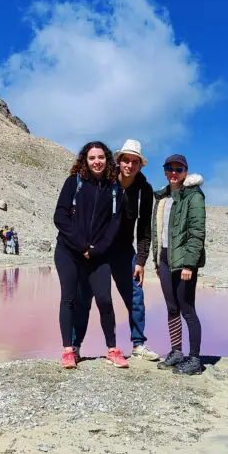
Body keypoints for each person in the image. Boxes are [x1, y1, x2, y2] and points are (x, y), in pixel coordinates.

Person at [71, 139, 159, 362]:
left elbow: (145, 229)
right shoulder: (108, 182)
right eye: (126, 160)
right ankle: (75, 346)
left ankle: (138, 344)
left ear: (140, 165)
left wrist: (140, 260)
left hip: (122, 250)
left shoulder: (144, 191)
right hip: (98, 248)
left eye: (134, 162)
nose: (129, 165)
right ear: (119, 162)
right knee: (86, 297)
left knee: (135, 295)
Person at [53, 141, 128, 370]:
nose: (97, 162)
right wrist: (82, 246)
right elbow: (60, 217)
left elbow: (115, 225)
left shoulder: (114, 189)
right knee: (70, 299)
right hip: (69, 251)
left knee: (104, 299)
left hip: (99, 254)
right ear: (85, 161)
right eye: (92, 158)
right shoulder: (74, 183)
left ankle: (112, 349)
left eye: (101, 157)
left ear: (107, 159)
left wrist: (96, 250)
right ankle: (69, 351)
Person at [152, 153, 206, 376]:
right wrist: (156, 259)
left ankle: (194, 358)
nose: (173, 173)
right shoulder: (162, 197)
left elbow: (196, 233)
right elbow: (157, 231)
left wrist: (189, 265)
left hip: (183, 261)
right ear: (165, 171)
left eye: (178, 169)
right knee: (171, 307)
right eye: (169, 169)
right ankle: (176, 351)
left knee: (187, 309)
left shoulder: (193, 197)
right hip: (164, 258)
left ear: (185, 172)